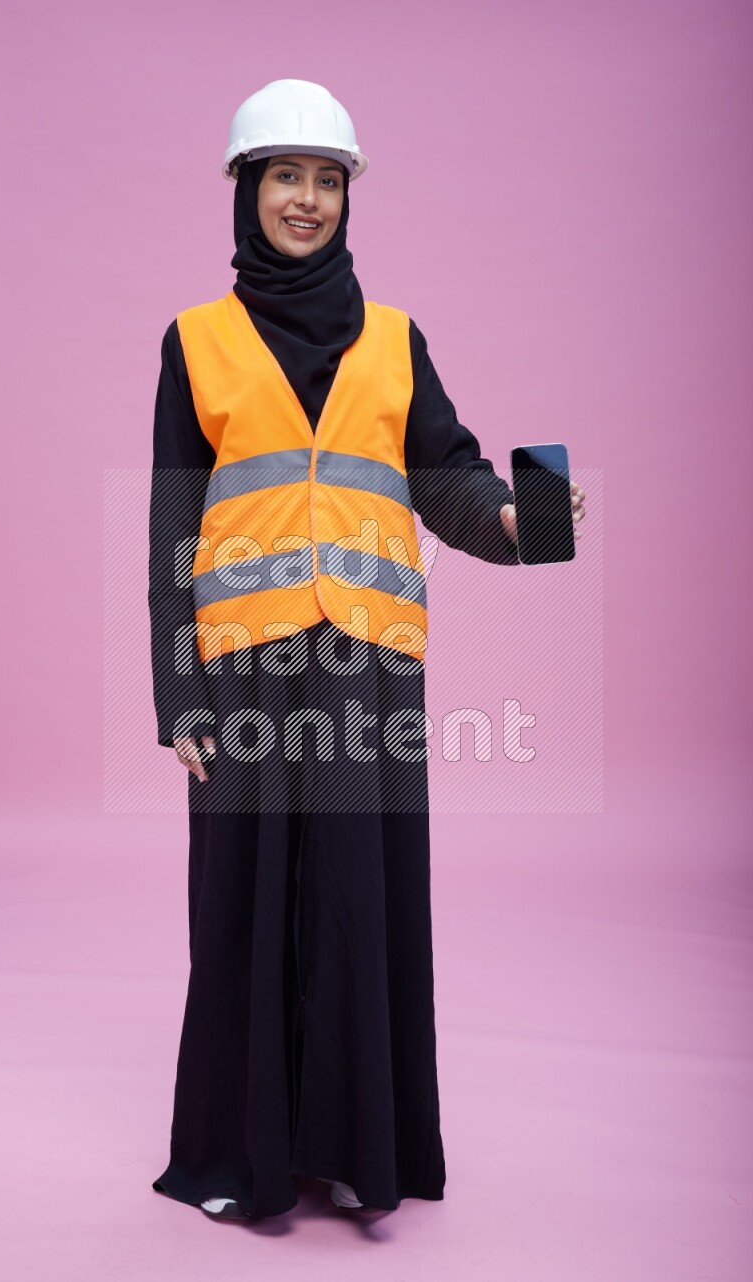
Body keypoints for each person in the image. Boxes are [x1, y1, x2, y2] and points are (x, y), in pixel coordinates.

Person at [148, 78, 586, 1223]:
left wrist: (527, 520)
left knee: (357, 897)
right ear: (246, 190)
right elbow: (171, 528)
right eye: (284, 176)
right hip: (241, 669)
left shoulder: (396, 340)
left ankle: (357, 1149)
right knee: (241, 902)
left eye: (326, 180)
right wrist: (176, 697)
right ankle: (238, 1157)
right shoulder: (194, 342)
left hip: (365, 670)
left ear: (349, 197)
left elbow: (449, 473)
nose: (306, 199)